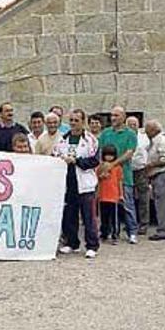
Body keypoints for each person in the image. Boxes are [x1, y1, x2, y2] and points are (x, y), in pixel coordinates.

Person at [54, 109, 100, 259]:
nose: (73, 123)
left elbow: (94, 161)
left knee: (88, 216)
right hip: (68, 182)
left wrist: (77, 161)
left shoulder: (90, 140)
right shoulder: (62, 140)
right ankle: (71, 242)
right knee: (69, 214)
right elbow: (56, 156)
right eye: (71, 120)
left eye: (76, 120)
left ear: (83, 122)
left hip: (85, 182)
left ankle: (92, 245)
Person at [98, 106, 139, 244]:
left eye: (116, 115)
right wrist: (103, 169)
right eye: (112, 115)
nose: (113, 118)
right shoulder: (105, 133)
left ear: (123, 117)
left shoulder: (130, 134)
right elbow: (99, 152)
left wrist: (113, 164)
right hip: (106, 178)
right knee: (106, 208)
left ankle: (132, 231)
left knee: (127, 205)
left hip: (123, 176)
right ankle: (107, 231)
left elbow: (129, 152)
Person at [145, 120, 165, 241]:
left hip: (162, 174)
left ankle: (163, 230)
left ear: (153, 130)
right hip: (161, 174)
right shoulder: (157, 141)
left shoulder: (161, 141)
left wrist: (151, 165)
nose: (146, 133)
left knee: (162, 203)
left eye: (147, 130)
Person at [129, 115, 151, 236]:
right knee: (129, 198)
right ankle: (131, 223)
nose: (132, 126)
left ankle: (144, 224)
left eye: (134, 124)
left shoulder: (144, 138)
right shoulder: (125, 136)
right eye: (130, 124)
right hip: (127, 170)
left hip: (142, 170)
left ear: (138, 125)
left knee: (144, 198)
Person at [98, 144, 124, 245]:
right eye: (107, 155)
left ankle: (115, 235)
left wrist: (121, 194)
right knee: (104, 217)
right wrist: (102, 175)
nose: (109, 157)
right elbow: (97, 177)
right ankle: (104, 234)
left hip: (114, 196)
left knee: (114, 218)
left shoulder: (117, 167)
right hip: (103, 196)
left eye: (111, 155)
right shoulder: (100, 166)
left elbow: (120, 181)